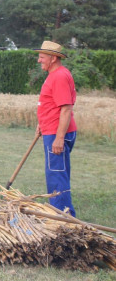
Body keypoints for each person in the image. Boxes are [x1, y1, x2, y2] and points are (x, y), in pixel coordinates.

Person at [34, 40, 78, 216]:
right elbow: (52, 104)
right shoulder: (54, 74)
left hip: (57, 134)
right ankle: (60, 214)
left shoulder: (59, 76)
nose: (39, 60)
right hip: (51, 129)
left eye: (42, 57)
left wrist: (59, 138)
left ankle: (63, 218)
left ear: (52, 58)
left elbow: (66, 109)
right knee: (57, 174)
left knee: (56, 176)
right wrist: (42, 123)